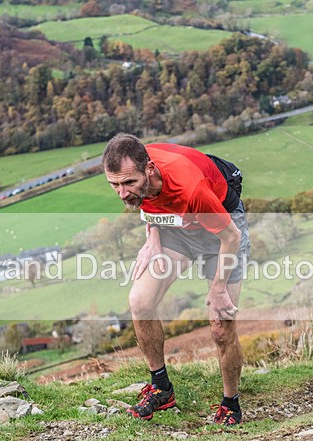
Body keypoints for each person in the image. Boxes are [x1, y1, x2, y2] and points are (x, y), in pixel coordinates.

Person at [101, 133, 250, 426]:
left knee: (221, 327)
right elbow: (147, 203)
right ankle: (161, 388)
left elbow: (231, 237)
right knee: (140, 301)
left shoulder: (189, 187)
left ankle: (230, 403)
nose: (121, 192)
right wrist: (153, 238)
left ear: (150, 170)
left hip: (221, 230)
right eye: (114, 184)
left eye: (128, 183)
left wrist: (219, 288)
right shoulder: (136, 173)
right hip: (178, 228)